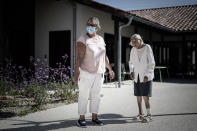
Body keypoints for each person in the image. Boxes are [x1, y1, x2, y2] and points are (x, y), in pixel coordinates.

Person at [74, 17, 114, 127]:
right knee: (84, 95)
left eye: (92, 25)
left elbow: (104, 55)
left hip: (99, 72)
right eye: (88, 24)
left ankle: (94, 117)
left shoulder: (101, 39)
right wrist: (77, 73)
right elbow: (79, 57)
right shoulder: (82, 39)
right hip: (86, 72)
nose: (90, 27)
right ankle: (81, 119)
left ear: (97, 27)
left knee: (96, 96)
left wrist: (110, 69)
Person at [129, 34, 155, 123]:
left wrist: (147, 75)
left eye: (135, 41)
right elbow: (131, 62)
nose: (134, 43)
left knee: (145, 97)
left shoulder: (147, 47)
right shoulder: (133, 49)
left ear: (140, 40)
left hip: (145, 76)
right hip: (137, 76)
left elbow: (152, 63)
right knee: (138, 96)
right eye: (132, 42)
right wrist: (131, 71)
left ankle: (149, 115)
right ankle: (140, 114)